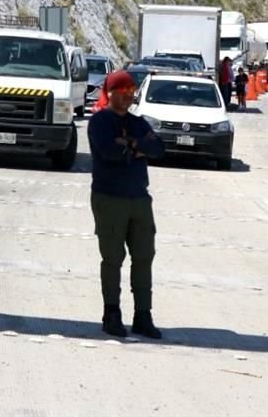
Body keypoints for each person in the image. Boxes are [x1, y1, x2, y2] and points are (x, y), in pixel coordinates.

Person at [87, 71, 166, 339]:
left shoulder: (138, 122)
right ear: (111, 93)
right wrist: (137, 148)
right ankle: (112, 314)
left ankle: (143, 315)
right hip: (109, 198)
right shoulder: (99, 122)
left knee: (144, 257)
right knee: (112, 259)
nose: (129, 94)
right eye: (123, 89)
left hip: (139, 199)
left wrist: (130, 145)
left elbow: (158, 148)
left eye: (132, 89)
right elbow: (109, 153)